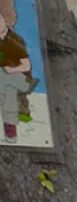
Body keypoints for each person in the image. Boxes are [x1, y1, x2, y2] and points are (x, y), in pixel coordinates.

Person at [0, 0, 38, 143]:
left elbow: (26, 66)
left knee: (8, 88)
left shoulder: (15, 41)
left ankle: (10, 129)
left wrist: (11, 70)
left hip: (20, 79)